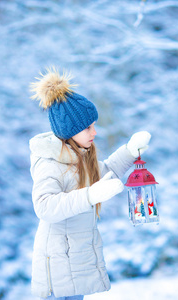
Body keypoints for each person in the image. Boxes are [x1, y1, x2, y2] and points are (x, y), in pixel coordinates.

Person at [28, 68, 151, 300]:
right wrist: (89, 196)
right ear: (70, 131)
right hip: (58, 269)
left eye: (93, 125)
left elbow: (106, 175)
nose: (94, 132)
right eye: (88, 128)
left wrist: (129, 151)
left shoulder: (81, 156)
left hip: (76, 264)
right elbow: (44, 207)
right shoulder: (50, 163)